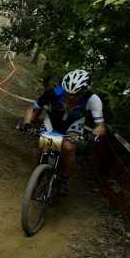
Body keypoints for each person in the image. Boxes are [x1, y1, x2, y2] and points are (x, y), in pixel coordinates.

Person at [19, 69, 105, 197]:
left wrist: (93, 135)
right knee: (44, 147)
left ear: (83, 93)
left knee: (68, 147)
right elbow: (32, 109)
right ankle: (38, 173)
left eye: (75, 94)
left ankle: (63, 181)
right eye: (68, 92)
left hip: (73, 123)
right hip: (52, 120)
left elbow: (101, 126)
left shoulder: (93, 99)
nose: (70, 96)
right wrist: (26, 123)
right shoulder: (53, 93)